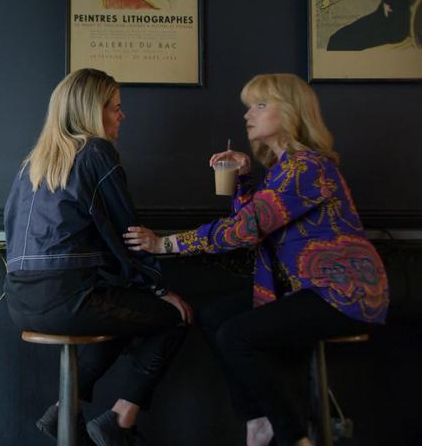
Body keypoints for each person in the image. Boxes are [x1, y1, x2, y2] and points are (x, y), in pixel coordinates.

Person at [123, 73, 389, 446]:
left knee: (236, 335)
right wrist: (245, 180)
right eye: (248, 106)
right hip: (304, 288)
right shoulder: (283, 171)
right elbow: (254, 225)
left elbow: (245, 229)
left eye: (261, 105)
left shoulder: (307, 168)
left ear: (292, 112)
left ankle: (292, 435)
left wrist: (164, 245)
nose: (249, 114)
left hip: (343, 292)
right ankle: (259, 418)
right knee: (217, 317)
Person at [4, 68, 191, 446]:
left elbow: (11, 231)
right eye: (115, 108)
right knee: (174, 317)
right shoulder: (96, 152)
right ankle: (120, 419)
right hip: (67, 300)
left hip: (20, 301)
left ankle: (63, 410)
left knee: (125, 316)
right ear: (92, 111)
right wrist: (157, 288)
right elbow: (126, 232)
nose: (122, 116)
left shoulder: (32, 164)